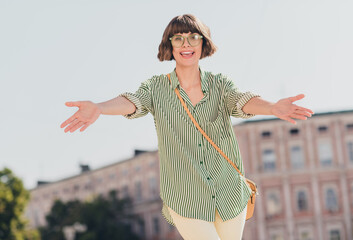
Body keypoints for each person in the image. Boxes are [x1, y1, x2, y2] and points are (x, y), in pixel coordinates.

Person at [61, 14, 313, 240]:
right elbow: (133, 101)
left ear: (203, 44)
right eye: (178, 38)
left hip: (229, 193)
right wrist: (100, 107)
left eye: (193, 37)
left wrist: (271, 108)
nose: (186, 44)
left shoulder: (219, 85)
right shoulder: (157, 88)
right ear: (169, 45)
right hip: (186, 198)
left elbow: (241, 101)